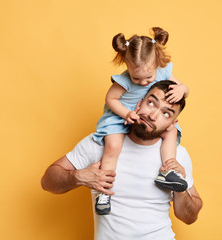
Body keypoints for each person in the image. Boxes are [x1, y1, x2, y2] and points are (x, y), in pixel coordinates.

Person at [41, 81, 203, 240]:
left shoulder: (177, 156)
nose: (153, 115)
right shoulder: (101, 143)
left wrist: (181, 189)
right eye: (151, 103)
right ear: (139, 102)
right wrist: (77, 176)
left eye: (166, 113)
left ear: (172, 124)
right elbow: (47, 182)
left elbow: (189, 217)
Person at [93, 27, 190, 214]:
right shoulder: (124, 81)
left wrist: (182, 89)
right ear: (127, 66)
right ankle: (103, 192)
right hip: (120, 115)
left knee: (172, 131)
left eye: (149, 78)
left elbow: (184, 90)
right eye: (137, 78)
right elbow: (110, 100)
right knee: (112, 147)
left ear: (157, 65)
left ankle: (169, 171)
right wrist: (126, 114)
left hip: (144, 116)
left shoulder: (162, 72)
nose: (144, 83)